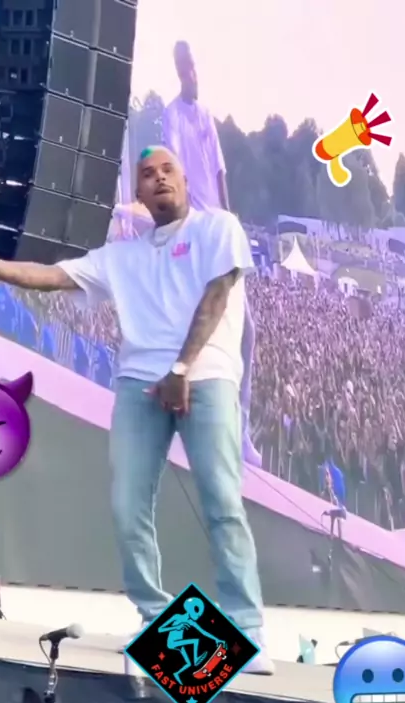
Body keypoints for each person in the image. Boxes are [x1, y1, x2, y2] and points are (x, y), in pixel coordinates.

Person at [0, 146, 273, 675]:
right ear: (137, 192)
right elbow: (49, 275)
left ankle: (246, 628)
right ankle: (156, 618)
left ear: (185, 180)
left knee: (221, 500)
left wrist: (182, 369)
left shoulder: (219, 228)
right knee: (127, 505)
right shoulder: (122, 256)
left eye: (167, 170)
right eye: (148, 174)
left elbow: (216, 296)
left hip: (205, 375)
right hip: (138, 383)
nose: (159, 178)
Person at [162, 41, 262, 469]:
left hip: (220, 231)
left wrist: (231, 220)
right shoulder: (171, 116)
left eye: (195, 67)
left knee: (246, 332)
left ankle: (240, 427)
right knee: (201, 328)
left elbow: (220, 173)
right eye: (186, 69)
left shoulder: (206, 116)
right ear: (178, 71)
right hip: (197, 234)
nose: (193, 75)